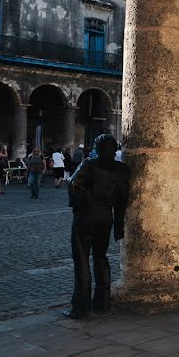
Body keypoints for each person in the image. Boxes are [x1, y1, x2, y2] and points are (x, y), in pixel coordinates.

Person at [65, 134, 131, 319]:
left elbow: (74, 184)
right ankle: (102, 304)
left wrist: (85, 201)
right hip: (106, 217)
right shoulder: (122, 170)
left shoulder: (90, 164)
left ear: (98, 148)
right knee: (101, 258)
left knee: (82, 260)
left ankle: (81, 307)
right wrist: (118, 224)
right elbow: (122, 200)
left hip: (87, 215)